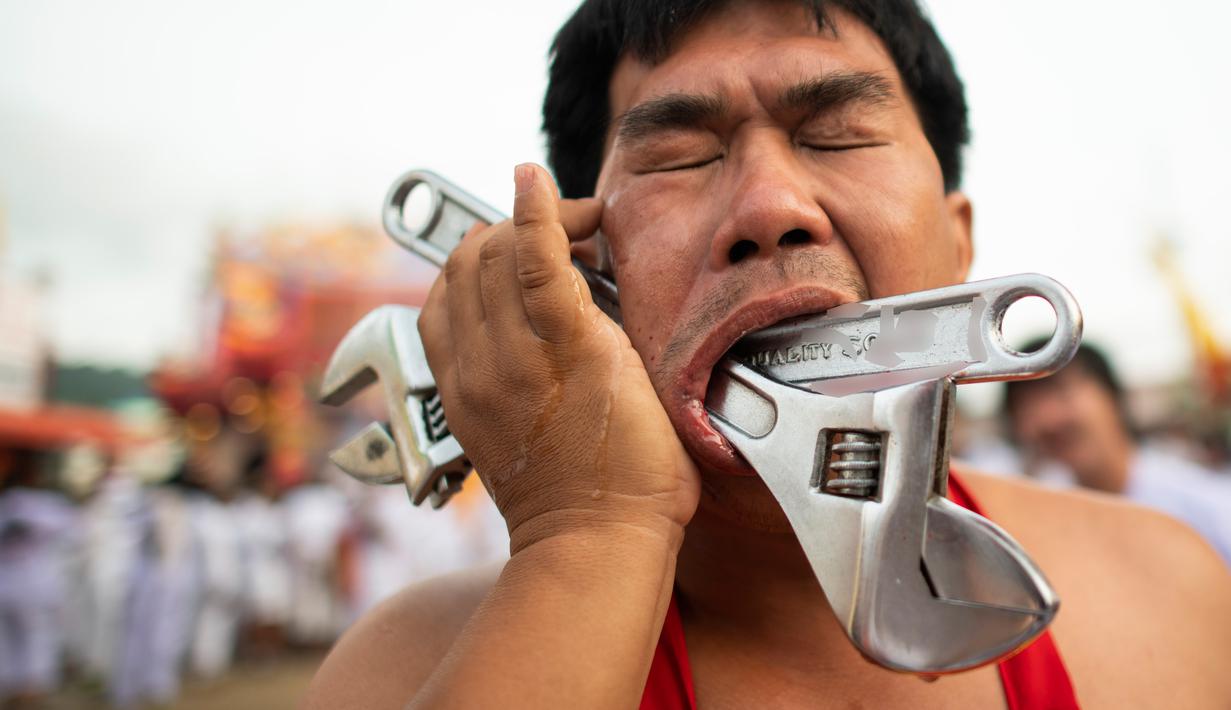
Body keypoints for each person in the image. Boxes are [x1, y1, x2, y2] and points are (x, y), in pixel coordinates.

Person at [306, 1, 1231, 707]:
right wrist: (589, 541)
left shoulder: (1167, 592)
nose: (768, 206)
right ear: (583, 275)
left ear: (958, 244)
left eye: (836, 134)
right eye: (677, 159)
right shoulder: (405, 672)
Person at [1005, 342, 1231, 565]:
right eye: (1027, 404)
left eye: (1060, 392)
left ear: (1112, 394)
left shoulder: (1206, 507)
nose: (1048, 419)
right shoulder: (1039, 522)